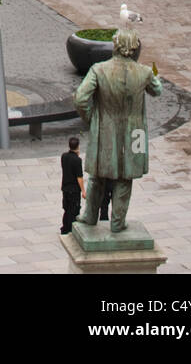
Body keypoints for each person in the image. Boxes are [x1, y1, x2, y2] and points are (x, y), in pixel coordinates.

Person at [74, 29, 162, 233]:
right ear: (134, 49)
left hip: (105, 127)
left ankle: (89, 215)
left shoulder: (99, 69)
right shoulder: (144, 72)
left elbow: (80, 98)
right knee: (125, 177)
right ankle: (118, 221)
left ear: (115, 46)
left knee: (97, 175)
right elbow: (157, 90)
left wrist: (92, 118)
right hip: (135, 133)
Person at [60, 134, 86, 234]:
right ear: (78, 146)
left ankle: (65, 228)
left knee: (66, 209)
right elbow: (79, 177)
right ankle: (71, 229)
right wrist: (83, 191)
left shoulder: (64, 156)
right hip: (74, 189)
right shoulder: (77, 160)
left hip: (65, 188)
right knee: (74, 210)